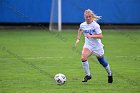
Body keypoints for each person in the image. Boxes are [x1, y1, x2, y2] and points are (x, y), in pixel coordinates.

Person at [74, 9, 113, 83]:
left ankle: (110, 74)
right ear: (84, 17)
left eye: (89, 17)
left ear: (91, 16)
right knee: (83, 57)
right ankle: (88, 75)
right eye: (86, 17)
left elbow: (101, 36)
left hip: (97, 46)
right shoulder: (83, 25)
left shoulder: (95, 25)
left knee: (102, 61)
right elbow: (80, 30)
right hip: (88, 45)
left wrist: (92, 36)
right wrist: (78, 39)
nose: (88, 18)